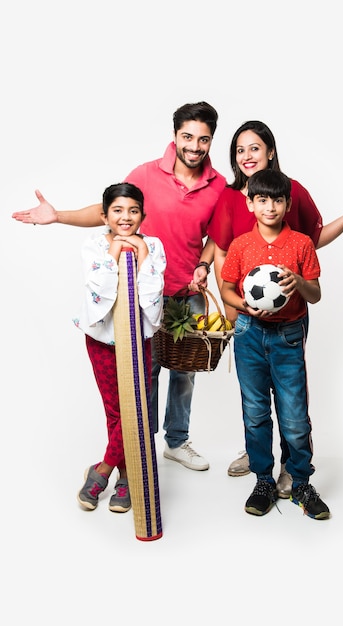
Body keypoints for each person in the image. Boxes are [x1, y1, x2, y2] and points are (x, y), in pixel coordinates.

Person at [12, 101, 226, 472]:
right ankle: (139, 444)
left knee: (184, 373)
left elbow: (217, 235)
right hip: (142, 296)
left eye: (203, 139)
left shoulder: (218, 184)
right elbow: (110, 207)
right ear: (174, 136)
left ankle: (176, 441)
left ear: (211, 141)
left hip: (187, 292)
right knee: (146, 374)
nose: (195, 146)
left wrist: (204, 265)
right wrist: (59, 215)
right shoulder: (145, 173)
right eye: (187, 136)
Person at [207, 120, 343, 491]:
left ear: (270, 151)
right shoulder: (230, 198)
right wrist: (234, 311)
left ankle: (294, 466)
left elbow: (312, 239)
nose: (247, 156)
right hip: (247, 316)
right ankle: (258, 459)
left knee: (291, 405)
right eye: (240, 150)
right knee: (255, 403)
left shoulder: (292, 191)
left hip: (289, 320)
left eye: (255, 148)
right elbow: (221, 250)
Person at [221, 168, 330, 519]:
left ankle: (300, 482)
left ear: (287, 204)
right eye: (262, 199)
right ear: (250, 203)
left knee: (295, 416)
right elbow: (226, 289)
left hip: (288, 336)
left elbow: (315, 295)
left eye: (278, 200)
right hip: (249, 334)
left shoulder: (301, 244)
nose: (270, 207)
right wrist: (242, 305)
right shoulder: (241, 245)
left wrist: (298, 281)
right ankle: (264, 480)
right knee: (255, 413)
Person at [75, 182, 166, 512]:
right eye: (117, 210)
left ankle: (104, 469)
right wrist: (114, 256)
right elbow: (98, 295)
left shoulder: (153, 246)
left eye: (133, 210)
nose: (126, 217)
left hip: (137, 342)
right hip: (101, 340)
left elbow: (153, 303)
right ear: (104, 215)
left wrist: (142, 257)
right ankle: (126, 472)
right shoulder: (94, 246)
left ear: (143, 214)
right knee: (116, 410)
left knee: (136, 407)